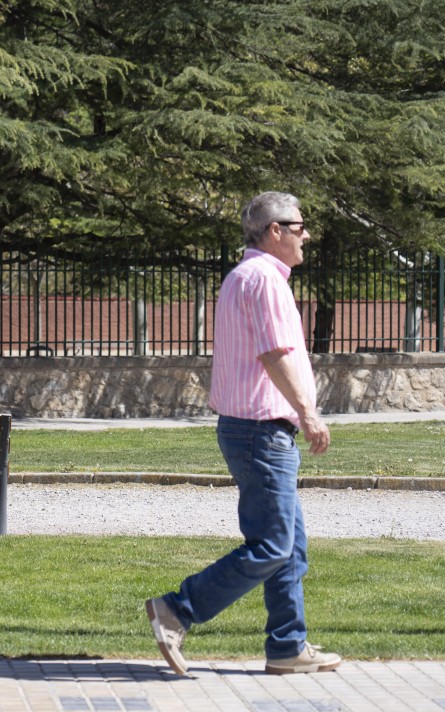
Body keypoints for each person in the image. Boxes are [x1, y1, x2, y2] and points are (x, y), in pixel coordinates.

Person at [145, 191, 342, 676]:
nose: (307, 235)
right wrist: (307, 413)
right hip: (262, 432)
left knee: (289, 544)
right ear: (275, 231)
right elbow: (275, 355)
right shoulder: (265, 282)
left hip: (249, 429)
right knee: (273, 544)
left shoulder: (242, 277)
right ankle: (177, 609)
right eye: (300, 226)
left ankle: (287, 646)